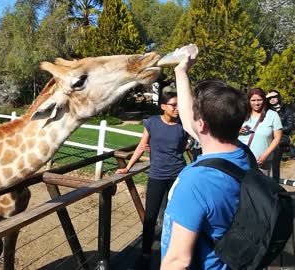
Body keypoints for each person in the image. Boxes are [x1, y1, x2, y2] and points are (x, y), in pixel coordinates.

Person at [160, 45, 251, 269]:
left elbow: (178, 260)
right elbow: (190, 118)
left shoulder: (197, 181)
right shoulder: (242, 155)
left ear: (201, 125)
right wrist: (181, 71)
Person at [116, 91, 187, 266]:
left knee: (176, 215)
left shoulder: (183, 125)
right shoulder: (152, 123)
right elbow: (141, 147)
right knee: (151, 216)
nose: (177, 108)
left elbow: (182, 149)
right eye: (173, 105)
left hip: (178, 175)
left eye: (178, 105)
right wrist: (127, 167)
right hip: (157, 175)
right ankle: (146, 252)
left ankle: (173, 250)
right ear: (163, 106)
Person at [238, 88, 282, 176]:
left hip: (261, 161)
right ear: (249, 101)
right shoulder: (242, 114)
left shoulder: (272, 115)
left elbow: (277, 137)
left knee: (260, 188)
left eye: (259, 100)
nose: (257, 103)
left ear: (264, 100)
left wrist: (265, 155)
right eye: (253, 100)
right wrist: (237, 129)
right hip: (241, 160)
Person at [266, 89, 294, 180]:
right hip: (266, 139)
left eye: (274, 97)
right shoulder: (266, 110)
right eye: (270, 98)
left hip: (280, 140)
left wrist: (275, 130)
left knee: (275, 166)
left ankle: (275, 188)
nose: (272, 99)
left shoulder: (287, 109)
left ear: (279, 97)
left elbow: (289, 126)